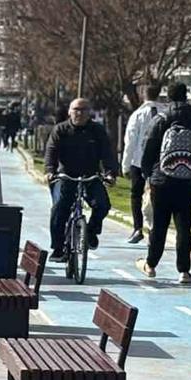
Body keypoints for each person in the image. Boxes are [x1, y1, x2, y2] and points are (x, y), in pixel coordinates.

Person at [137, 82, 191, 285]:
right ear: (187, 97)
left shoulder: (161, 119)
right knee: (184, 225)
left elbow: (148, 149)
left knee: (159, 224)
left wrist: (148, 175)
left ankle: (151, 264)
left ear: (168, 97)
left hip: (162, 180)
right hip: (188, 181)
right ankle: (184, 271)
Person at [44, 98, 119, 262]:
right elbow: (51, 152)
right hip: (66, 176)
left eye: (84, 110)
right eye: (76, 109)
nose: (79, 113)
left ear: (89, 113)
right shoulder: (60, 130)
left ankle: (91, 231)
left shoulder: (97, 130)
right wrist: (50, 171)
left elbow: (107, 154)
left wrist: (110, 173)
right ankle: (58, 248)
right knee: (59, 208)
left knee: (102, 205)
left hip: (90, 176)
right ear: (69, 111)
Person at [121, 83, 164, 243]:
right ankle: (155, 229)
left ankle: (138, 227)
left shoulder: (138, 114)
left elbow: (130, 141)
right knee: (157, 197)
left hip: (139, 161)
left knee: (136, 195)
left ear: (143, 95)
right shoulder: (165, 113)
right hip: (160, 162)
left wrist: (125, 165)